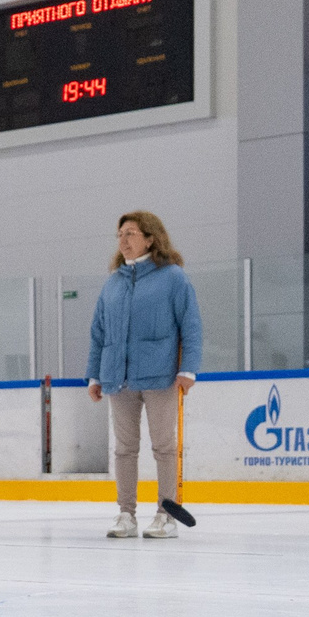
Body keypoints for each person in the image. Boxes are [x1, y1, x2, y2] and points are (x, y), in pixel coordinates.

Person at [86, 211, 202, 540]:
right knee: (124, 449)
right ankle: (126, 514)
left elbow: (191, 326)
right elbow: (98, 333)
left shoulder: (173, 277)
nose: (123, 240)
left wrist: (188, 368)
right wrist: (94, 376)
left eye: (131, 233)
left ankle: (166, 515)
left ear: (150, 239)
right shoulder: (113, 283)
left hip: (160, 375)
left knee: (163, 447)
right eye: (120, 234)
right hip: (117, 378)